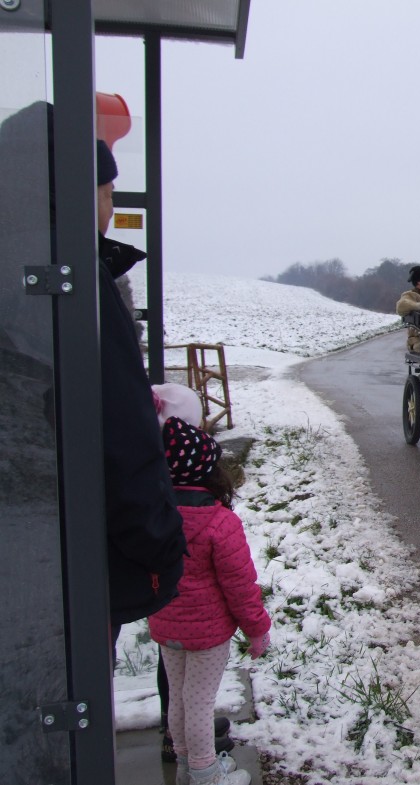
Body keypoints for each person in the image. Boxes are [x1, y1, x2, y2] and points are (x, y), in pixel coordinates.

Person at [96, 137, 188, 639]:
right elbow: (122, 430)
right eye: (108, 192)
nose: (111, 206)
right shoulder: (84, 283)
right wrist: (158, 541)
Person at [149, 416, 271, 785]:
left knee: (179, 699)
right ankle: (207, 774)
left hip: (166, 625)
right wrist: (257, 630)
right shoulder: (219, 522)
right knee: (199, 703)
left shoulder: (156, 515)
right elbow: (240, 586)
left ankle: (186, 767)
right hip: (207, 634)